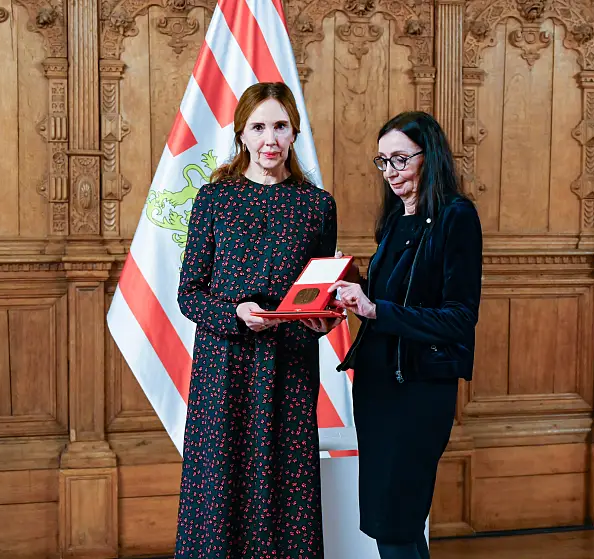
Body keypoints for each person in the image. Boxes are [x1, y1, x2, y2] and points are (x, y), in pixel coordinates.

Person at [174, 82, 342, 559]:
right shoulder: (212, 199)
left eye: (280, 126)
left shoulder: (317, 205)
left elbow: (320, 296)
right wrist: (236, 314)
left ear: (294, 132)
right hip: (223, 369)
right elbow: (188, 294)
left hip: (288, 368)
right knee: (219, 488)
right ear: (242, 134)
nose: (270, 138)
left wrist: (322, 322)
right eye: (259, 126)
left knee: (285, 486)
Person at [329, 111, 483, 559]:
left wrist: (376, 307)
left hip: (418, 390)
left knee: (396, 521)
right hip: (377, 386)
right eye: (383, 162)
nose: (391, 173)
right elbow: (389, 306)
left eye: (400, 159)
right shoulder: (395, 219)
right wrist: (357, 283)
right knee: (391, 523)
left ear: (428, 155)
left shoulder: (456, 217)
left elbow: (458, 317)